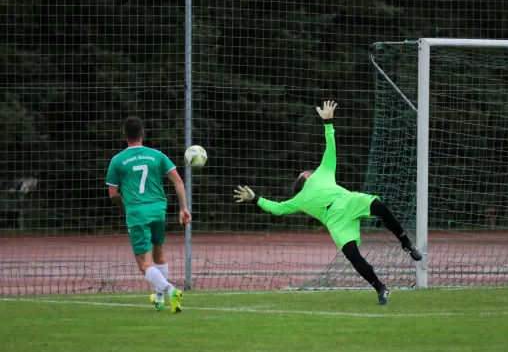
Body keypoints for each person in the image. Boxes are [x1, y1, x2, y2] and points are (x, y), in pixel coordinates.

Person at [234, 100, 422, 305]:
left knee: (379, 206)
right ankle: (380, 288)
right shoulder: (299, 199)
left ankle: (406, 244)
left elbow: (330, 144)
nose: (305, 171)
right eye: (303, 173)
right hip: (336, 222)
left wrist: (328, 121)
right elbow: (277, 209)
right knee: (352, 255)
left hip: (349, 201)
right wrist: (255, 199)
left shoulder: (324, 170)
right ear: (301, 181)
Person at [106, 116, 191, 313]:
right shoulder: (157, 155)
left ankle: (171, 291)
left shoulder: (117, 160)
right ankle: (159, 299)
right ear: (143, 134)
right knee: (159, 254)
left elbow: (112, 194)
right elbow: (178, 181)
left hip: (137, 213)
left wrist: (126, 206)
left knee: (144, 263)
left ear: (124, 136)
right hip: (158, 211)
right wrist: (183, 208)